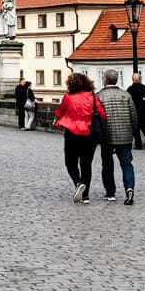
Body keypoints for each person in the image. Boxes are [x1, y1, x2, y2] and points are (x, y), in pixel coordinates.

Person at [54, 72, 106, 203]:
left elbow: (60, 112)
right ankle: (86, 195)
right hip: (90, 134)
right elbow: (102, 114)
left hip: (72, 133)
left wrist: (58, 118)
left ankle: (78, 183)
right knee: (86, 164)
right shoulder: (93, 97)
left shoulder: (68, 97)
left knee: (70, 162)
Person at [97, 69, 138, 205]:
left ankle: (110, 192)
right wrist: (132, 131)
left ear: (105, 80)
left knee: (107, 165)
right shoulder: (126, 95)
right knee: (126, 164)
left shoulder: (99, 96)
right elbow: (134, 117)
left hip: (107, 137)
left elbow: (97, 118)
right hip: (125, 136)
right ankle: (129, 188)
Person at [126, 73, 145, 148]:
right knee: (144, 126)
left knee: (136, 128)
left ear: (132, 80)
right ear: (140, 79)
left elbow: (127, 101)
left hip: (135, 111)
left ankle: (138, 144)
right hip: (144, 110)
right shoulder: (144, 87)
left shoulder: (130, 89)